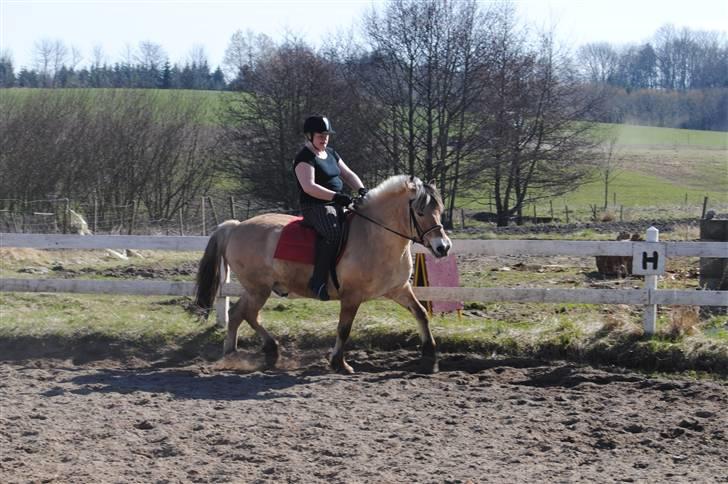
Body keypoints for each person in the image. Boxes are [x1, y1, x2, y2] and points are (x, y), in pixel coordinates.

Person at [293, 115, 368, 301]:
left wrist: (362, 190)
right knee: (333, 232)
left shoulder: (331, 154)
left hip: (336, 204)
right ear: (309, 135)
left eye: (327, 135)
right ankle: (317, 281)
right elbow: (309, 187)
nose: (325, 138)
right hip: (315, 206)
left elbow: (348, 175)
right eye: (320, 135)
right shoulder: (305, 157)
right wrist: (337, 197)